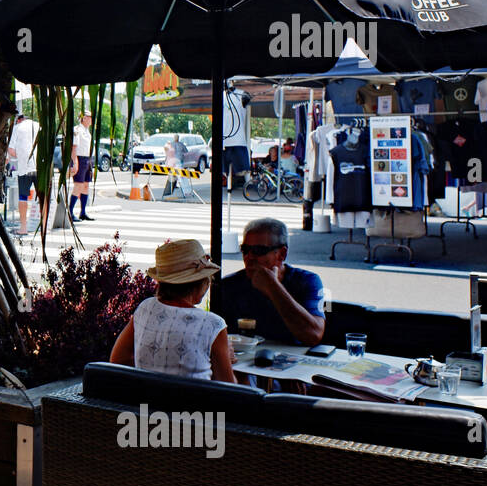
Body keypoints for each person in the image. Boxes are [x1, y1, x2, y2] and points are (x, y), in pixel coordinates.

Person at [110, 239, 237, 383]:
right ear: (201, 282)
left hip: (144, 405)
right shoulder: (212, 324)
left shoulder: (145, 309)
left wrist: (153, 371)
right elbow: (229, 388)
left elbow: (118, 359)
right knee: (246, 383)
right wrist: (225, 358)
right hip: (194, 406)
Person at [221, 217, 325, 346]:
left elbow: (313, 335)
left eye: (259, 251)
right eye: (245, 250)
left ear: (281, 254)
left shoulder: (307, 281)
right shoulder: (230, 285)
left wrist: (273, 287)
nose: (249, 257)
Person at [7, 112, 40, 233]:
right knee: (43, 197)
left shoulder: (17, 128)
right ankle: (45, 226)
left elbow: (11, 150)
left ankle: (23, 228)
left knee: (23, 197)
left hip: (24, 168)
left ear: (19, 120)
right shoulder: (38, 125)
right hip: (39, 167)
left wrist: (20, 157)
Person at [69, 112, 93, 221]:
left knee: (86, 185)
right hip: (79, 158)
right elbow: (74, 147)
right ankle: (70, 211)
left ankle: (83, 212)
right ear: (84, 118)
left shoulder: (87, 131)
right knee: (78, 185)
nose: (91, 119)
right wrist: (75, 162)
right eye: (89, 117)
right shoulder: (77, 130)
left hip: (87, 159)